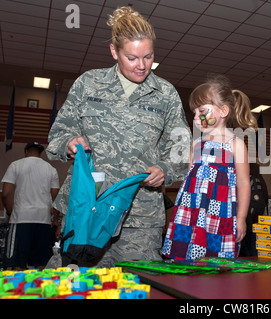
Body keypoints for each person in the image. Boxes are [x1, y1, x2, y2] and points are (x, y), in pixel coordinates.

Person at [46, 7, 191, 267]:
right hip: (88, 209)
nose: (142, 65)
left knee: (136, 287)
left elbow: (181, 148)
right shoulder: (88, 84)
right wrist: (68, 142)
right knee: (77, 287)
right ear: (114, 51)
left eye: (148, 56)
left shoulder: (165, 94)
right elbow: (57, 135)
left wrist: (165, 169)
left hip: (140, 217)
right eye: (132, 58)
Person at [162, 75, 256, 260]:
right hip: (191, 212)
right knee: (184, 258)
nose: (196, 117)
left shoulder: (235, 144)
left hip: (219, 212)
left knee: (216, 259)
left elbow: (244, 183)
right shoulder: (196, 144)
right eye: (194, 112)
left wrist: (242, 218)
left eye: (202, 111)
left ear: (223, 111)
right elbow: (189, 181)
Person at [1, 142, 60, 270]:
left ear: (26, 151)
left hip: (21, 218)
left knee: (16, 264)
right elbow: (56, 195)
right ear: (41, 153)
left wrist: (10, 211)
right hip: (44, 220)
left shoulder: (16, 165)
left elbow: (5, 193)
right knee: (42, 264)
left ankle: (17, 289)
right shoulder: (50, 169)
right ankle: (40, 289)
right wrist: (53, 216)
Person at [240, 163, 269, 257]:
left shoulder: (251, 179)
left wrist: (247, 219)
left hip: (250, 222)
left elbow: (257, 203)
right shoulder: (258, 179)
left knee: (249, 253)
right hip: (254, 222)